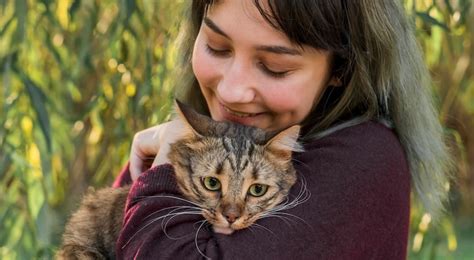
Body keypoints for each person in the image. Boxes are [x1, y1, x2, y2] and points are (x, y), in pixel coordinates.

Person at [113, 0, 452, 258]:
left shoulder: (368, 160)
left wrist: (159, 180)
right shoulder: (204, 139)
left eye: (275, 67)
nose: (232, 91)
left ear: (342, 71)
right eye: (217, 47)